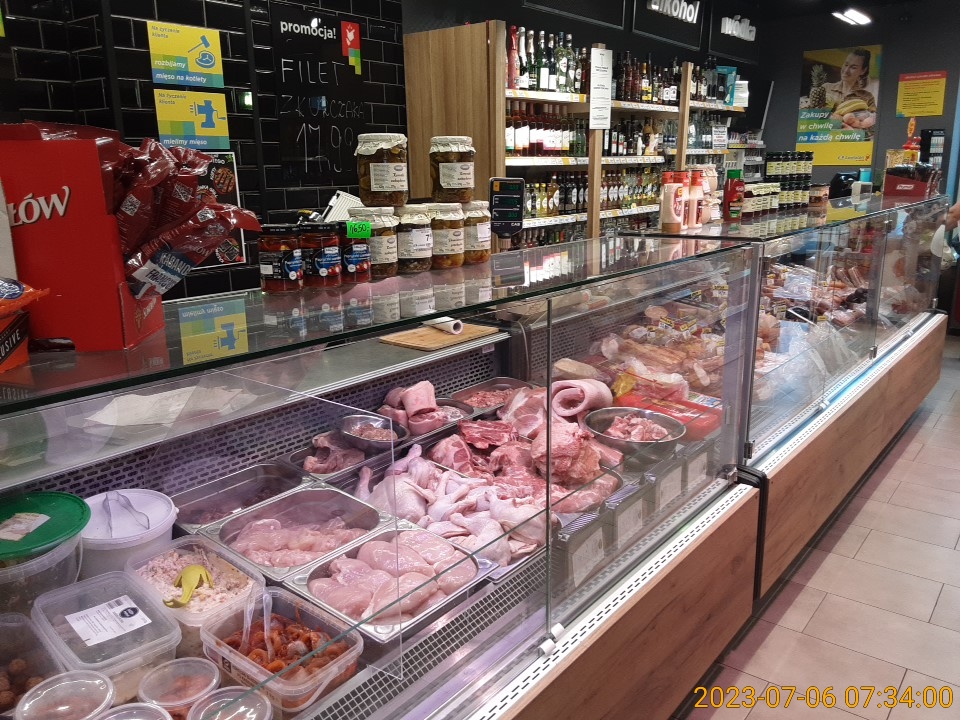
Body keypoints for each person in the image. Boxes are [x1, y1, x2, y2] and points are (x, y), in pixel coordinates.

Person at [823, 48, 877, 112]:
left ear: (863, 71)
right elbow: (813, 113)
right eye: (846, 65)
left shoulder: (868, 97)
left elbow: (873, 117)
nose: (846, 71)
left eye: (853, 67)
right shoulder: (826, 88)